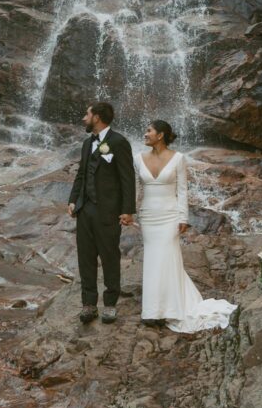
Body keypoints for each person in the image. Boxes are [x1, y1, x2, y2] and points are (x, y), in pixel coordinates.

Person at [134, 120, 237, 333]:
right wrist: (129, 212)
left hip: (169, 215)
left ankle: (170, 309)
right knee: (152, 259)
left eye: (149, 130)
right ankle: (151, 311)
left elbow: (182, 190)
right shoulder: (138, 158)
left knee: (167, 257)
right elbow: (137, 189)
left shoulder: (178, 158)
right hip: (148, 215)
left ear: (160, 135)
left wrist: (183, 217)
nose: (145, 134)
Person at [67, 102, 136, 324]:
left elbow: (127, 178)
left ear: (97, 117)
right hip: (84, 209)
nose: (83, 118)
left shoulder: (119, 142)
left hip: (108, 211)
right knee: (85, 256)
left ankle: (109, 304)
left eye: (87, 114)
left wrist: (127, 210)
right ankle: (88, 304)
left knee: (109, 256)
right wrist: (72, 200)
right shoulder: (87, 144)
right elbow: (81, 174)